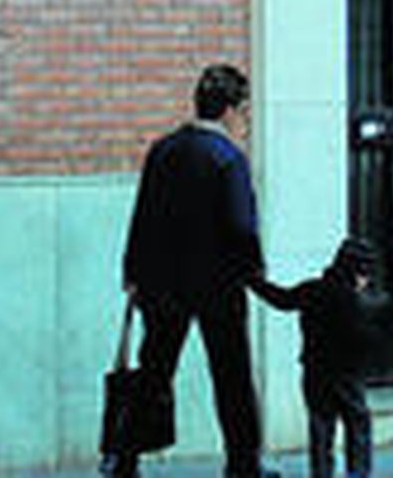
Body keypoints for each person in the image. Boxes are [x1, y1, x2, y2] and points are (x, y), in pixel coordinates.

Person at [112, 64, 279, 478]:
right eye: (243, 111)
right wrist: (254, 270)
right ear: (229, 110)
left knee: (153, 374)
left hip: (162, 284)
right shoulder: (228, 159)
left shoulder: (163, 150)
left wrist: (132, 271)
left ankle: (124, 459)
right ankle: (243, 464)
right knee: (232, 376)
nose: (244, 122)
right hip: (218, 285)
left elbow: (143, 216)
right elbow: (242, 225)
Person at [252, 236, 377, 478]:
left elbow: (282, 299)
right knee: (358, 422)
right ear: (358, 273)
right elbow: (362, 339)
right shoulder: (352, 300)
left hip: (314, 371)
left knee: (321, 426)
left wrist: (254, 282)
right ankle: (357, 473)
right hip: (345, 374)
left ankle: (321, 473)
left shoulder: (313, 289)